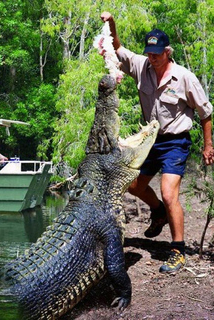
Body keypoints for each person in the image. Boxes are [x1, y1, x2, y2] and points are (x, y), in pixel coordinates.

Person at [100, 12, 214, 273]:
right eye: (150, 52)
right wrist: (112, 23)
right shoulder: (141, 65)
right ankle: (159, 212)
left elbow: (205, 112)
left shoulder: (185, 77)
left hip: (175, 142)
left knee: (169, 191)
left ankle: (178, 250)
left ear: (168, 52)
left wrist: (208, 146)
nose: (153, 57)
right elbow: (117, 47)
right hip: (150, 141)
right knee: (134, 186)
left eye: (157, 53)